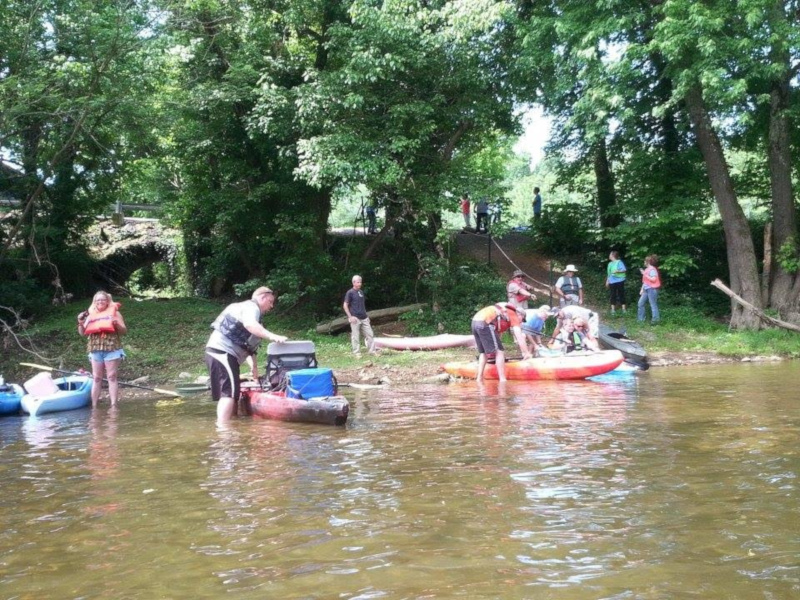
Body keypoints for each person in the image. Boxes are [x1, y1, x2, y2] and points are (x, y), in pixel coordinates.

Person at [205, 287, 288, 422]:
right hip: (222, 352)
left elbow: (249, 348)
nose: (271, 306)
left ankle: (232, 423)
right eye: (270, 302)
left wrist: (254, 370)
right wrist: (273, 336)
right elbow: (250, 325)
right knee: (229, 393)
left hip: (223, 354)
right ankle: (223, 430)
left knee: (232, 392)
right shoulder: (251, 307)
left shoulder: (251, 313)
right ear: (262, 297)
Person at [77, 291, 127, 408]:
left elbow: (124, 331)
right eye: (97, 300)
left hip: (112, 348)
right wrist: (80, 322)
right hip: (95, 349)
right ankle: (94, 406)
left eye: (102, 300)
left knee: (111, 376)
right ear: (94, 302)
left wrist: (116, 325)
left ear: (107, 301)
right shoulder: (89, 315)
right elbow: (82, 333)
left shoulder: (115, 314)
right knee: (97, 377)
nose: (100, 302)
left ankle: (114, 405)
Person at [471, 303, 531, 382]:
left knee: (484, 352)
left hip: (475, 322)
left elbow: (496, 335)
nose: (521, 322)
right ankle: (503, 380)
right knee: (499, 352)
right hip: (485, 323)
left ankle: (479, 378)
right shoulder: (513, 314)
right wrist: (526, 353)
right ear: (519, 314)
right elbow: (519, 336)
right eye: (522, 320)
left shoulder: (503, 314)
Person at [344, 275, 377, 356]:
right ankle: (357, 353)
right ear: (353, 282)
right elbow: (345, 305)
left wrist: (367, 316)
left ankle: (372, 351)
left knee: (370, 334)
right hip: (355, 318)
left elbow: (362, 305)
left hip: (364, 318)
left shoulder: (361, 292)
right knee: (355, 336)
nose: (360, 284)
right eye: (358, 282)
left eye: (360, 282)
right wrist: (350, 317)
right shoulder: (350, 292)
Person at [638, 254, 662, 324]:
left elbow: (654, 279)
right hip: (646, 288)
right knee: (640, 303)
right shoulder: (646, 269)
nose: (644, 262)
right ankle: (640, 320)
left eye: (644, 261)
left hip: (652, 289)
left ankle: (655, 321)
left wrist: (644, 274)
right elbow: (645, 281)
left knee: (653, 304)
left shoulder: (652, 269)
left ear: (647, 262)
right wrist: (642, 289)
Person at [606, 250, 627, 316]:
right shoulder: (610, 264)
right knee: (613, 294)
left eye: (610, 254)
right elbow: (609, 273)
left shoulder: (619, 262)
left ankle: (624, 309)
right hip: (612, 281)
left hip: (620, 280)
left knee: (621, 294)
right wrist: (607, 281)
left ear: (613, 255)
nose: (609, 255)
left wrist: (618, 271)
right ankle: (613, 310)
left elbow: (624, 270)